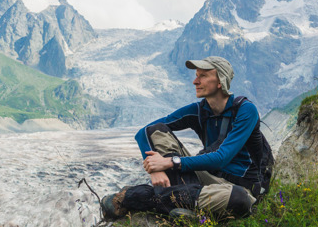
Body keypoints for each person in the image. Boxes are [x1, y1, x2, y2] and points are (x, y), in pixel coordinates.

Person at [101, 56, 264, 220]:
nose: (195, 81)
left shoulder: (245, 110)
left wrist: (171, 162)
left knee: (239, 199)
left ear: (220, 81)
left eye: (203, 76)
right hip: (204, 181)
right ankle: (189, 207)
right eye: (196, 75)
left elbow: (222, 158)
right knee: (158, 131)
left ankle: (133, 197)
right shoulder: (199, 111)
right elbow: (146, 131)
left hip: (239, 188)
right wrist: (154, 168)